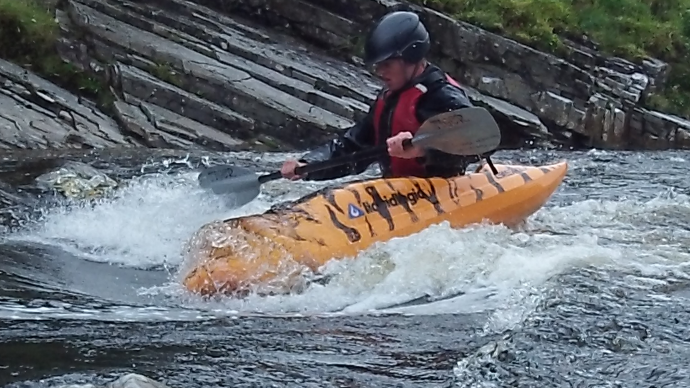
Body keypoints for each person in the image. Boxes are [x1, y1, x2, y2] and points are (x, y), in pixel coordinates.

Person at [281, 10, 485, 181]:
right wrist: (309, 165)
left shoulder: (440, 94)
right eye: (378, 65)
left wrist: (423, 149)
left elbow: (479, 138)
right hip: (398, 192)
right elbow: (353, 147)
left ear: (411, 57)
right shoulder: (389, 98)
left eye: (387, 64)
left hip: (442, 194)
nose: (380, 72)